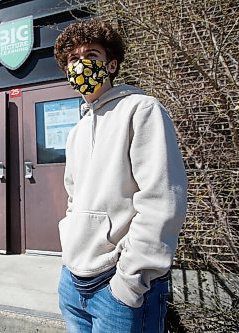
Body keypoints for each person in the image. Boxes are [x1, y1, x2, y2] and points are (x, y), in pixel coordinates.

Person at [54, 19, 188, 333]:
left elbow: (161, 201)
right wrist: (68, 258)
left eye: (92, 55)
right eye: (74, 59)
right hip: (73, 283)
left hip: (118, 286)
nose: (81, 64)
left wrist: (129, 282)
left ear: (111, 64)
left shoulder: (141, 110)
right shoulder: (77, 131)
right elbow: (74, 200)